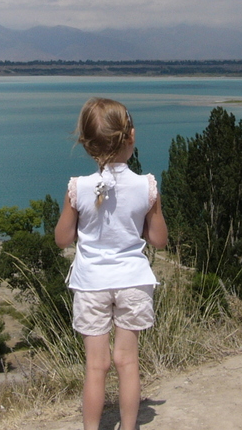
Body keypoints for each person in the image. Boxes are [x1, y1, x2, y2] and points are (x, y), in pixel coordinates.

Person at [55, 97, 168, 430]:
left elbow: (63, 239)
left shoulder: (78, 188)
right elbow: (158, 240)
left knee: (96, 366)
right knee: (127, 362)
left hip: (91, 283)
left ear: (87, 144)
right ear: (130, 137)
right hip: (133, 281)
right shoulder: (147, 186)